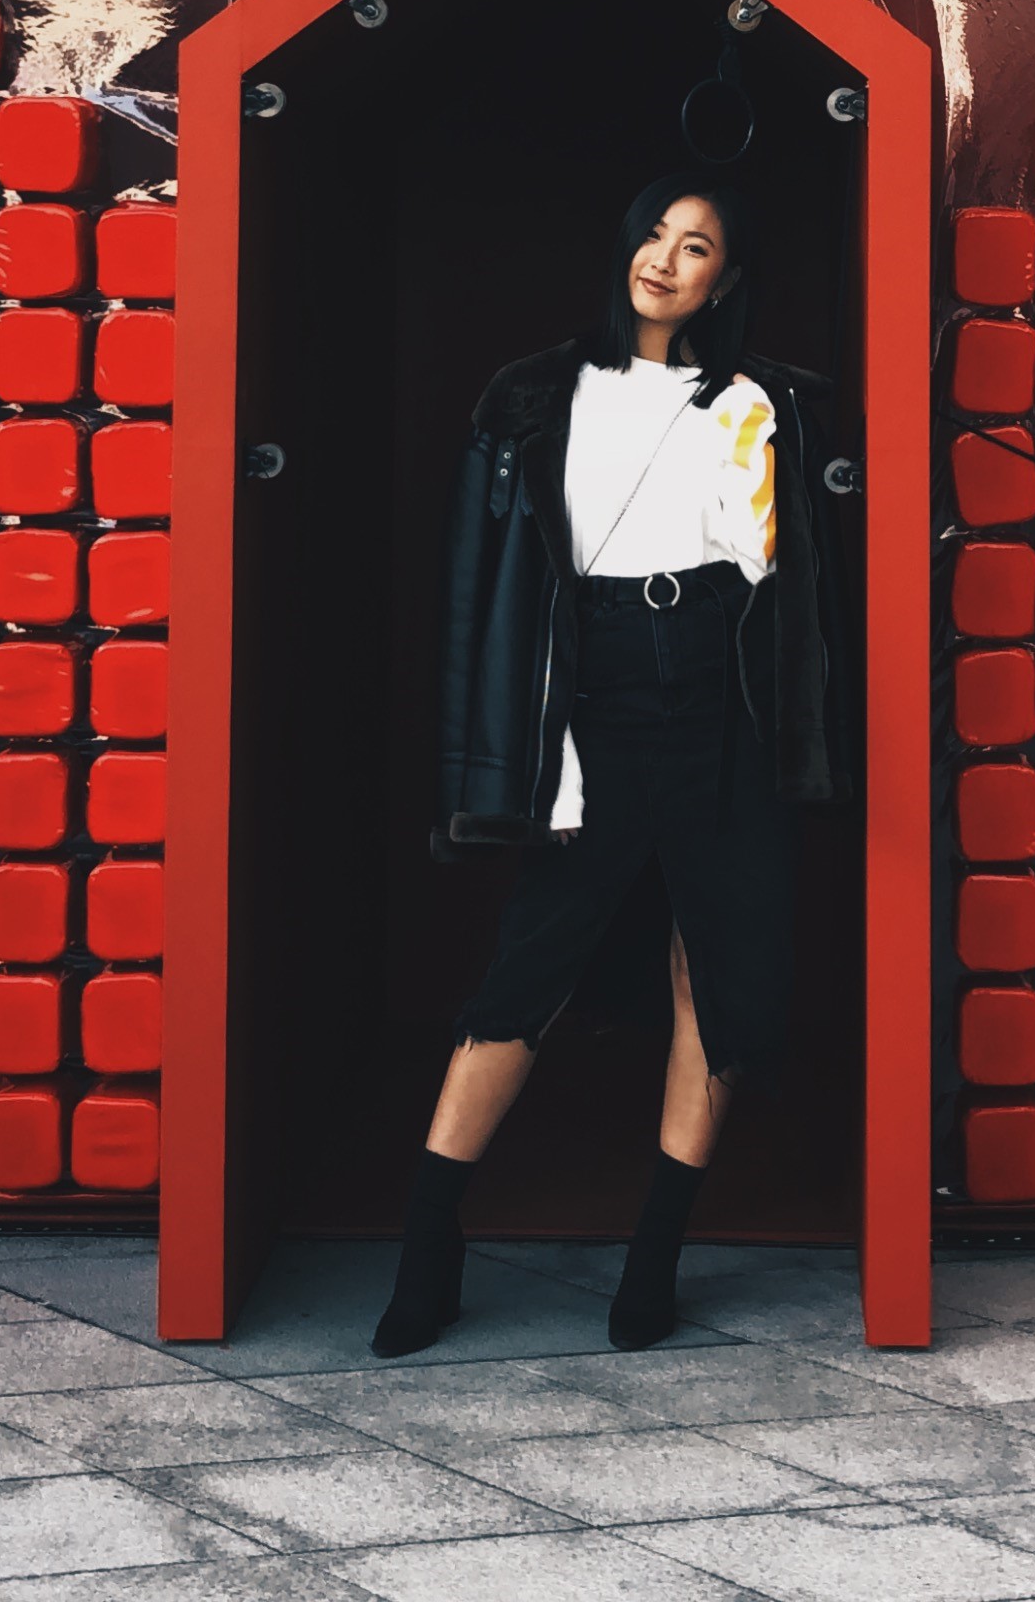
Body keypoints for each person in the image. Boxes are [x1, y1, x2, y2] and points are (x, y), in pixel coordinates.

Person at [372, 174, 844, 1359]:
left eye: (698, 247)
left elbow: (769, 569)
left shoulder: (754, 401)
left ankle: (654, 1260)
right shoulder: (536, 394)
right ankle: (429, 1246)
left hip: (718, 690)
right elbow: (495, 592)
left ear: (723, 282)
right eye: (655, 235)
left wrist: (761, 440)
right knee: (528, 974)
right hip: (595, 684)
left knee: (713, 975)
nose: (665, 260)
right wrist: (549, 757)